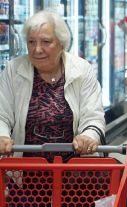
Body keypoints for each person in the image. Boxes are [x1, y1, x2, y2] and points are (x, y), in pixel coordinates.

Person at [0, 11, 105, 161]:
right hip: (25, 171)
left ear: (61, 43)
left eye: (46, 42)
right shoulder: (13, 70)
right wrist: (2, 136)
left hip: (75, 172)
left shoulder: (81, 70)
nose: (37, 49)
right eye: (31, 42)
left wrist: (88, 136)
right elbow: (2, 115)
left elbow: (93, 115)